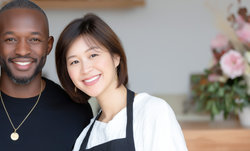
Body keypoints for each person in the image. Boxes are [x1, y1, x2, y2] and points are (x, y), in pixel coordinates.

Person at [0, 0, 93, 150]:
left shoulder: (77, 114)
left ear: (48, 45)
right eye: (11, 39)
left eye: (34, 39)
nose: (22, 50)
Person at [55, 13, 187, 151]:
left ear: (116, 57)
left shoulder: (152, 112)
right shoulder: (84, 138)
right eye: (74, 61)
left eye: (93, 55)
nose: (85, 69)